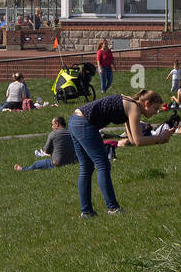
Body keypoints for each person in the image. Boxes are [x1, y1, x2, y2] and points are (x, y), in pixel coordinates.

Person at [68, 90, 167, 218]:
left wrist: (160, 139)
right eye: (155, 108)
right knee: (103, 165)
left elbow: (133, 140)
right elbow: (139, 140)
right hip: (85, 123)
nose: (156, 112)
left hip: (75, 121)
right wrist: (160, 137)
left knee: (86, 167)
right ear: (147, 103)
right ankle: (113, 208)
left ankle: (86, 212)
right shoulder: (134, 108)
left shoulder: (130, 104)